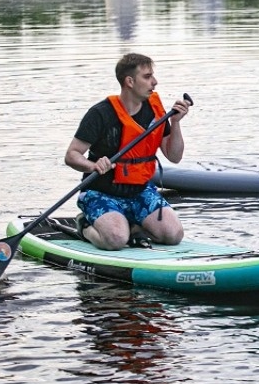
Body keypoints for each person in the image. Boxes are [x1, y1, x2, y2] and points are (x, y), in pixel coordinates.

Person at [64, 53, 191, 250]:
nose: (154, 82)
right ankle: (85, 226)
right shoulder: (100, 114)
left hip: (140, 190)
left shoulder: (156, 110)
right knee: (116, 240)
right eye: (147, 77)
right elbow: (71, 155)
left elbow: (174, 156)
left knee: (173, 235)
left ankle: (131, 225)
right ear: (130, 81)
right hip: (101, 192)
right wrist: (93, 165)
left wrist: (175, 123)